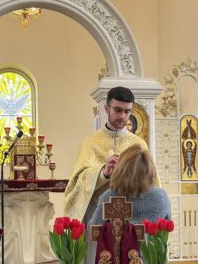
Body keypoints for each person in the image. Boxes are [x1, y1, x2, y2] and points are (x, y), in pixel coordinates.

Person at [87, 144, 170, 264]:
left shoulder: (109, 197)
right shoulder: (160, 197)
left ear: (121, 169)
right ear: (149, 169)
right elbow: (167, 228)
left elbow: (93, 229)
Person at [63, 86, 152, 224]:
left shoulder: (139, 145)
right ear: (106, 109)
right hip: (97, 214)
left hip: (131, 214)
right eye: (117, 110)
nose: (122, 116)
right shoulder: (90, 143)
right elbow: (77, 183)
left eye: (127, 111)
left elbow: (151, 181)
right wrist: (103, 173)